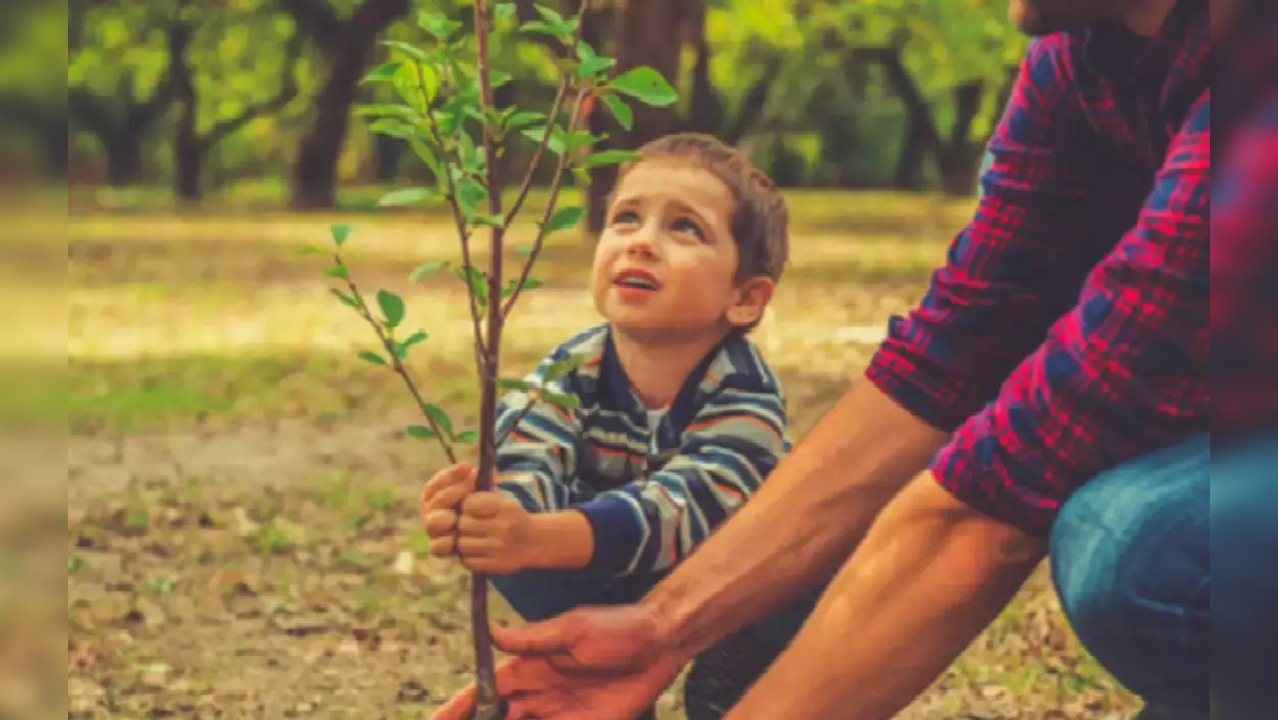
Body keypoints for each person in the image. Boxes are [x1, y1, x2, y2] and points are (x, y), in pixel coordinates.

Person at [430, 1, 1278, 719]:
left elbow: (1004, 490)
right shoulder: (1080, 57)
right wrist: (663, 626)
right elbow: (951, 353)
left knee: (1138, 548)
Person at [419, 133, 800, 719]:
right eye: (626, 219)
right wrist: (492, 515)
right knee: (516, 547)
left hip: (726, 586)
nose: (642, 242)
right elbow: (527, 455)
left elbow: (685, 509)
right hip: (608, 571)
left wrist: (540, 536)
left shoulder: (744, 393)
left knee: (815, 564)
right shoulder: (571, 370)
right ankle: (595, 667)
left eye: (684, 228)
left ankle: (741, 665)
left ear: (745, 298)